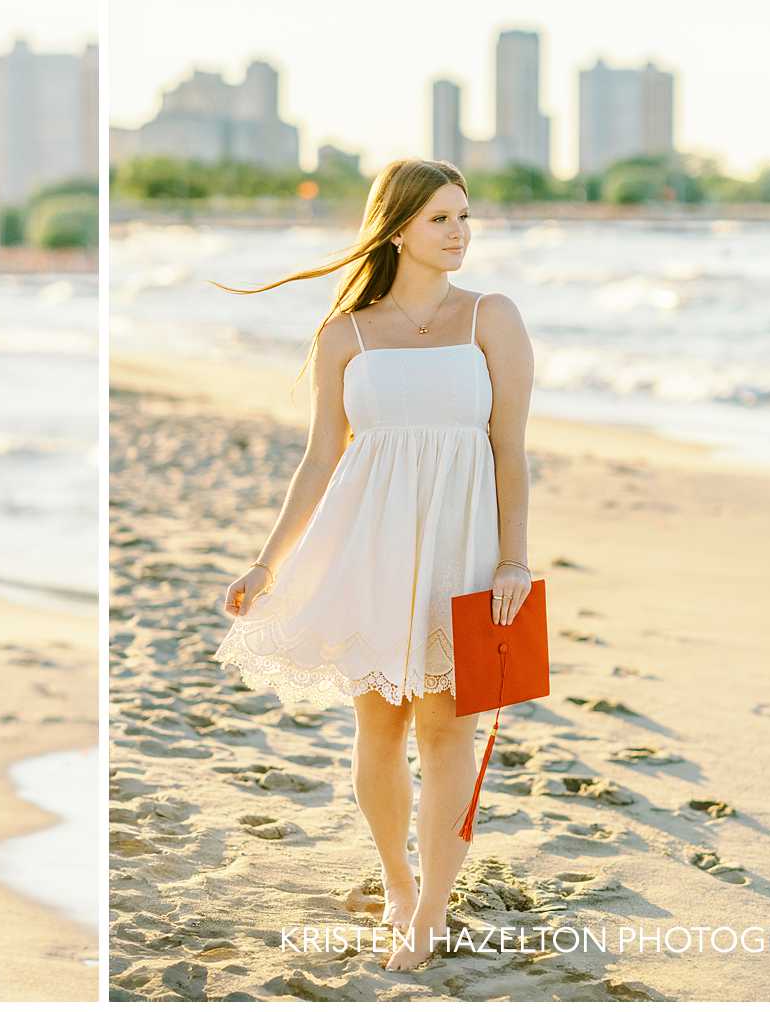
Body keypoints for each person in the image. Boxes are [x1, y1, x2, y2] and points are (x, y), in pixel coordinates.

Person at [212, 159, 534, 971]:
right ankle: (397, 880)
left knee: (448, 727)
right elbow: (321, 460)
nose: (459, 232)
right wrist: (266, 564)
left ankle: (432, 906)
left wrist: (513, 562)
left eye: (465, 217)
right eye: (440, 219)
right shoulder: (344, 334)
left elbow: (510, 452)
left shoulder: (491, 318)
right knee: (380, 726)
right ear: (396, 230)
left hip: (465, 549)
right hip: (372, 547)